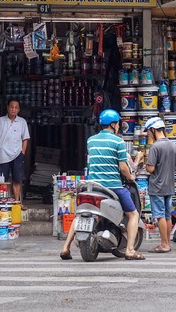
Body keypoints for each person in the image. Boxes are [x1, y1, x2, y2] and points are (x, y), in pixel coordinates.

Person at [60, 109, 145, 261]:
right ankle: (130, 250)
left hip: (92, 185)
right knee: (133, 215)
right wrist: (130, 177)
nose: (118, 126)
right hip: (112, 186)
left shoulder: (91, 140)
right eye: (118, 123)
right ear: (113, 124)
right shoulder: (118, 141)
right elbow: (123, 167)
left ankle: (66, 248)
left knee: (79, 214)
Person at [143, 116, 176, 254]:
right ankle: (167, 243)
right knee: (167, 215)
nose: (148, 135)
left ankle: (164, 244)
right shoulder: (173, 146)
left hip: (157, 187)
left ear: (153, 130)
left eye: (148, 132)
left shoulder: (155, 147)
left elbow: (151, 169)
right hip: (169, 186)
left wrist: (146, 165)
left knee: (159, 216)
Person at [0, 99, 30, 205]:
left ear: (19, 109)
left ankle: (17, 201)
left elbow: (25, 139)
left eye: (16, 108)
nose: (14, 109)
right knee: (2, 179)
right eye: (12, 107)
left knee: (17, 179)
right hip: (3, 153)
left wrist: (23, 152)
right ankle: (2, 201)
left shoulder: (22, 122)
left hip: (17, 154)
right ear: (8, 107)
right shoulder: (0, 121)